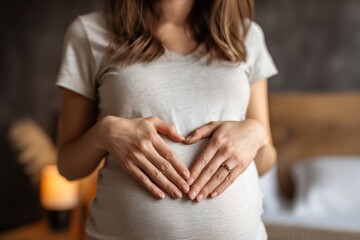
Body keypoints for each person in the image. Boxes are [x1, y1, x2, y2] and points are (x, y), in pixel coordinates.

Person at [56, 0, 278, 239]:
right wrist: (104, 133)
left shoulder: (246, 35)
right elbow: (68, 165)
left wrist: (257, 133)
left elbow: (265, 162)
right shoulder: (89, 33)